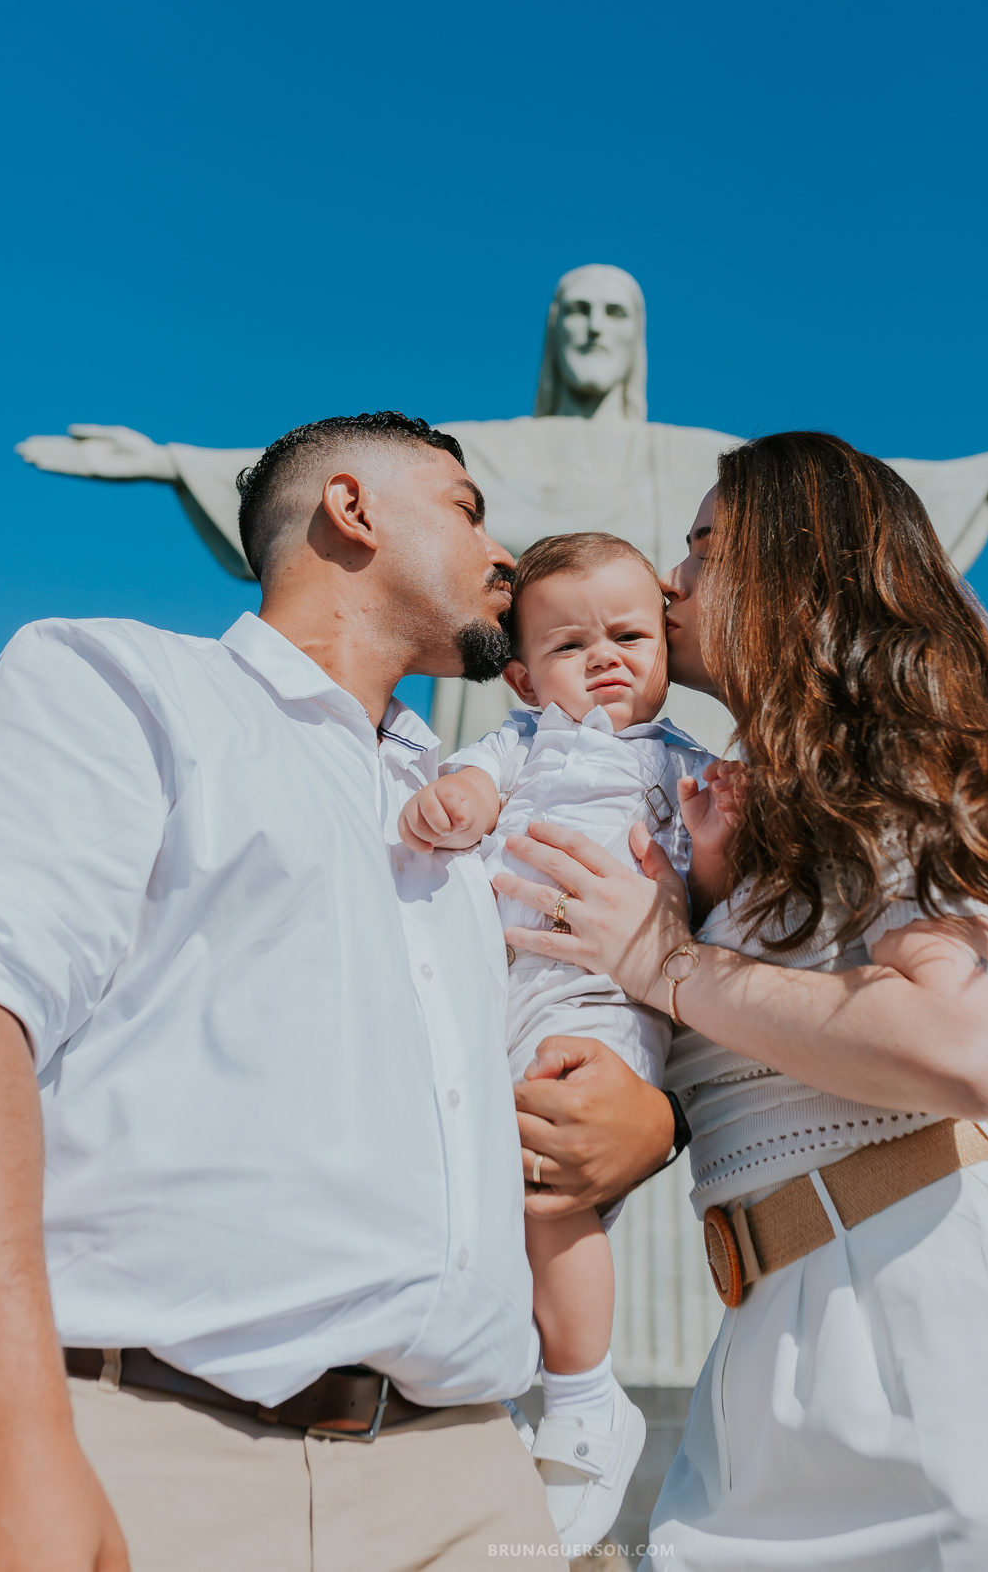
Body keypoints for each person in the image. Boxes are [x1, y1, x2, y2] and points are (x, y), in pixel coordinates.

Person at [0, 410, 675, 1572]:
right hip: (154, 1450)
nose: (505, 555)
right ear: (352, 512)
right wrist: (12, 1433)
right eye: (467, 509)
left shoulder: (481, 801)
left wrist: (656, 1121)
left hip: (470, 1478)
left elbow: (579, 1010)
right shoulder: (122, 687)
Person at [491, 431, 988, 1570]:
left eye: (702, 548)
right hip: (776, 1333)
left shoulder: (913, 755)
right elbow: (753, 1049)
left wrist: (665, 963)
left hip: (952, 1305)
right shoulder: (711, 812)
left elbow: (966, 1044)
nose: (671, 582)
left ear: (791, 571)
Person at [399, 531, 723, 1551]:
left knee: (551, 1184)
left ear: (667, 652)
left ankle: (585, 1396)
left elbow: (716, 879)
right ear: (527, 674)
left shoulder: (680, 764)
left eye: (630, 633)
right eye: (571, 643)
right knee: (474, 1181)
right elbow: (472, 790)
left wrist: (711, 858)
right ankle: (501, 1377)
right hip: (496, 988)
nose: (607, 657)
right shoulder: (516, 741)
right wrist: (458, 803)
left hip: (600, 995)